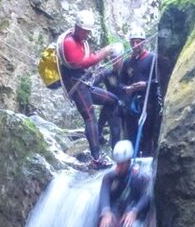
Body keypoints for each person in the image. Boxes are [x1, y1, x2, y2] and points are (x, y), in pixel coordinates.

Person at [57, 9, 120, 169]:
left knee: (113, 101)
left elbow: (86, 59)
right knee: (89, 116)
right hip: (77, 87)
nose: (87, 35)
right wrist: (104, 53)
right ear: (78, 28)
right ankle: (96, 158)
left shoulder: (80, 41)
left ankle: (100, 135)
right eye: (85, 32)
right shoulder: (69, 42)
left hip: (85, 84)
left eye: (88, 32)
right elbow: (82, 62)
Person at [120, 27, 165, 157]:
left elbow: (160, 80)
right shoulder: (128, 62)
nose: (135, 45)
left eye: (138, 42)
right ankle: (133, 160)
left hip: (149, 103)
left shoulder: (153, 59)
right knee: (133, 133)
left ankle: (147, 159)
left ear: (144, 42)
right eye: (132, 42)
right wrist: (126, 89)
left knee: (148, 133)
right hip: (133, 105)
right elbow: (120, 83)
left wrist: (146, 85)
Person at [92, 52, 128, 148]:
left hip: (125, 105)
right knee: (102, 127)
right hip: (111, 106)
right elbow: (93, 85)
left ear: (121, 59)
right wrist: (98, 73)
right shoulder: (107, 74)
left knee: (120, 132)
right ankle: (100, 144)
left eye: (117, 59)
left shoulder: (126, 73)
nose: (115, 61)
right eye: (113, 59)